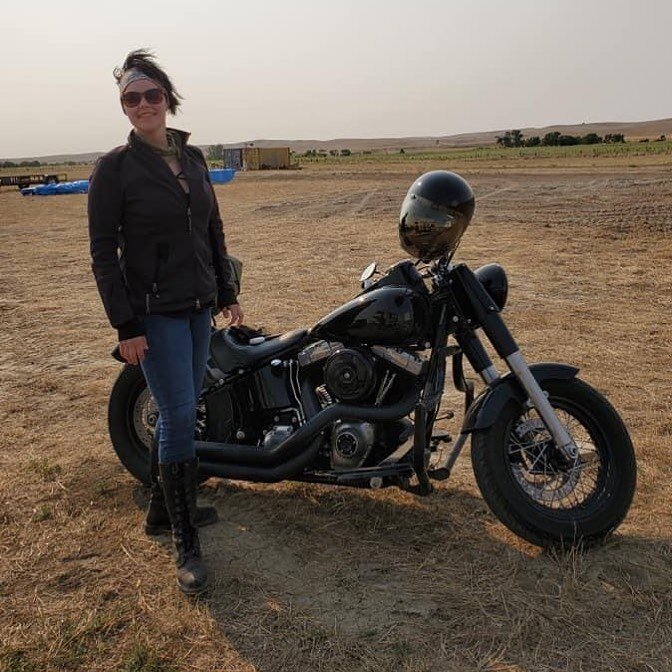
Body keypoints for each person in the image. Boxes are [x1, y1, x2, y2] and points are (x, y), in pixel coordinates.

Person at [88, 49, 243, 595]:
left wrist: (226, 291)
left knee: (187, 406)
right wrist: (124, 326)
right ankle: (185, 541)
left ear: (167, 98)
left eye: (151, 94)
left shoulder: (193, 157)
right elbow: (103, 251)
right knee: (177, 416)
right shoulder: (115, 169)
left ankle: (161, 510)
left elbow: (211, 229)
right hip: (153, 314)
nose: (143, 105)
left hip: (200, 304)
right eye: (131, 98)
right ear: (124, 108)